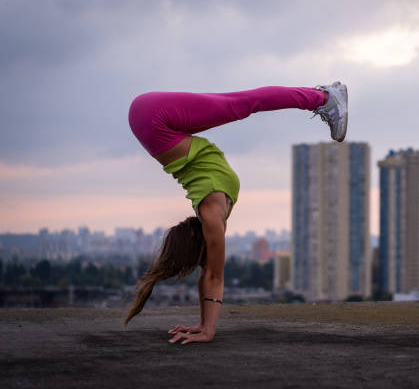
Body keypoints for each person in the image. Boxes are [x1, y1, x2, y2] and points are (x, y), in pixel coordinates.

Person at [123, 82, 348, 344]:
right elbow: (208, 273)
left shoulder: (212, 220)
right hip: (149, 120)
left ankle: (324, 97)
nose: (201, 265)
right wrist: (203, 324)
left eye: (197, 262)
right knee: (240, 104)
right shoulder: (210, 215)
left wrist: (208, 331)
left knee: (243, 103)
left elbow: (212, 275)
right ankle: (321, 96)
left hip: (154, 118)